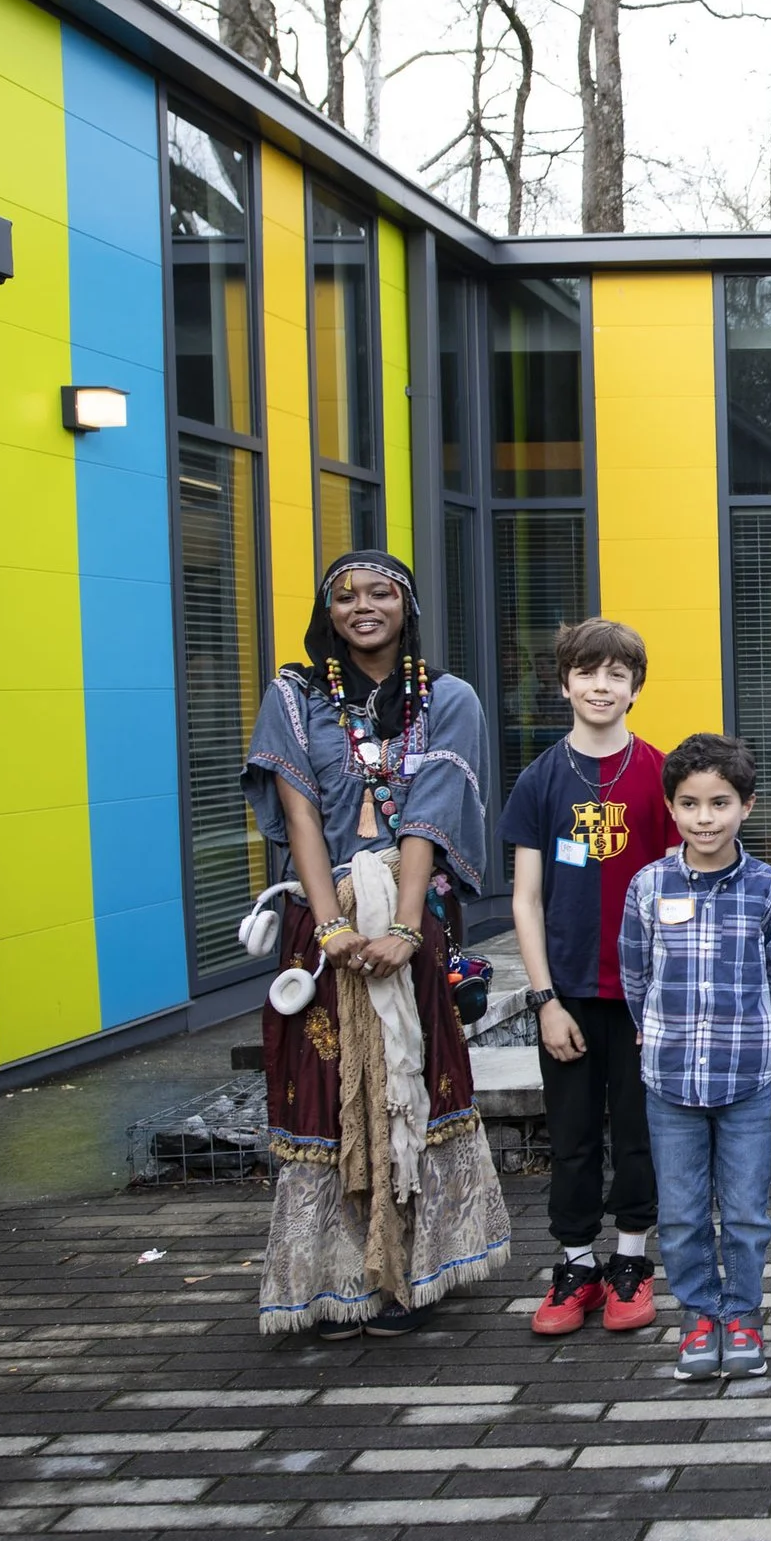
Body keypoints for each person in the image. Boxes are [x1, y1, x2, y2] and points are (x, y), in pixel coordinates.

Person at [242, 551, 510, 1339]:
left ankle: (410, 1275)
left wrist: (403, 927)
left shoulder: (448, 698)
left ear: (407, 605)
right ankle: (336, 1281)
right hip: (320, 922)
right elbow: (299, 815)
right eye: (346, 595)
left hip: (411, 915)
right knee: (325, 1089)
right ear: (327, 610)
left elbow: (431, 814)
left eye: (381, 592)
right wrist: (332, 926)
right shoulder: (295, 698)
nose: (363, 605)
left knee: (412, 1082)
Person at [502, 618, 678, 1337]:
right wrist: (544, 999)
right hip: (567, 996)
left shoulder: (660, 774)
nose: (601, 686)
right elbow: (526, 900)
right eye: (587, 672)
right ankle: (576, 1265)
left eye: (616, 674)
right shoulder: (540, 779)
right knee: (572, 1135)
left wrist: (661, 998)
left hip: (641, 997)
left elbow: (679, 891)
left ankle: (632, 1261)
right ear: (564, 683)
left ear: (636, 688)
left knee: (638, 1133)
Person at [620, 732, 771, 1380]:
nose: (705, 818)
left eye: (720, 803)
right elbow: (635, 975)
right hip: (669, 1081)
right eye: (690, 804)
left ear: (746, 806)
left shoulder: (770, 890)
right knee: (682, 1213)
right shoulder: (648, 885)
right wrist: (658, 1029)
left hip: (744, 1077)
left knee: (746, 1211)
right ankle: (700, 1315)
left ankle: (742, 1314)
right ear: (671, 807)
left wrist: (741, 1029)